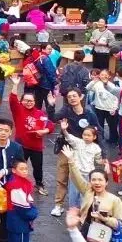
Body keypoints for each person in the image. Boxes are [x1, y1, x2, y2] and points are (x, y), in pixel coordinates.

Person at [62, 145, 122, 242]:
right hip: (87, 230)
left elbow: (120, 223)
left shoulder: (114, 200)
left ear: (106, 182)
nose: (97, 182)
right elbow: (76, 177)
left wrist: (105, 219)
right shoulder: (88, 191)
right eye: (94, 180)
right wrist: (71, 160)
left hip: (105, 234)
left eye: (100, 180)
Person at [50, 89, 100, 217]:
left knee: (81, 179)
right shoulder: (66, 111)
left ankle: (83, 207)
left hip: (82, 151)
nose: (72, 98)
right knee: (62, 177)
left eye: (74, 96)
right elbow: (53, 118)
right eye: (69, 96)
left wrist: (102, 153)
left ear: (81, 97)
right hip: (66, 148)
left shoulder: (89, 114)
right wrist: (51, 105)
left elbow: (98, 131)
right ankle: (58, 205)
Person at [8, 86, 54, 196]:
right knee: (18, 166)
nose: (29, 103)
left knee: (38, 167)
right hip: (21, 145)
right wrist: (15, 85)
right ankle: (16, 184)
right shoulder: (18, 110)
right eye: (26, 100)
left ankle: (39, 184)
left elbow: (50, 125)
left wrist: (44, 131)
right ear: (22, 101)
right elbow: (12, 99)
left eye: (31, 101)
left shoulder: (40, 113)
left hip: (36, 146)